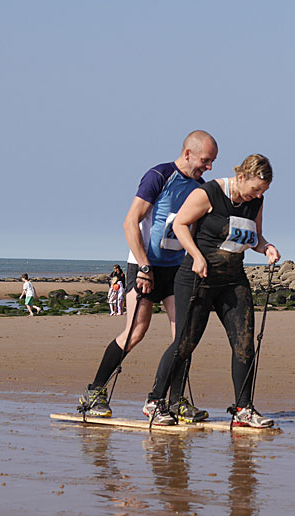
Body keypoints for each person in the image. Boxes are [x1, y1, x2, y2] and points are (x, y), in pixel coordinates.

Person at [78, 130, 218, 418]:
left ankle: (176, 400)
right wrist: (143, 266)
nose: (209, 167)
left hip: (177, 269)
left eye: (213, 161)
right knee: (136, 331)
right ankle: (94, 392)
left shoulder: (201, 187)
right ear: (188, 153)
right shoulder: (159, 176)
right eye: (206, 160)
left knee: (183, 337)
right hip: (145, 266)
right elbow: (130, 222)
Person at [145, 154, 281, 427]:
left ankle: (244, 408)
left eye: (263, 192)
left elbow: (255, 236)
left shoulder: (256, 202)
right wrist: (195, 255)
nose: (258, 196)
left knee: (244, 344)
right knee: (184, 343)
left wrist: (266, 247)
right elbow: (180, 224)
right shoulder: (208, 193)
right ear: (241, 177)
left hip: (233, 279)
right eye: (255, 189)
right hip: (197, 277)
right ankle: (155, 402)